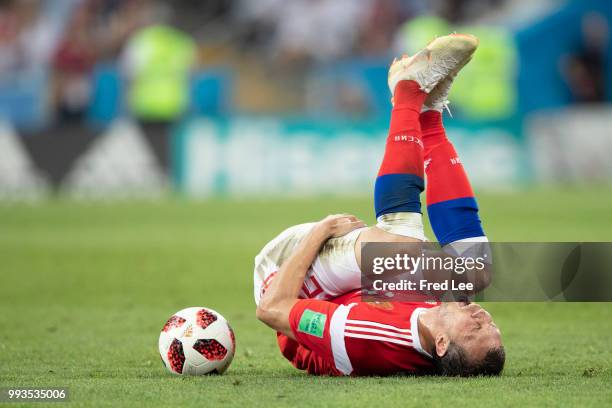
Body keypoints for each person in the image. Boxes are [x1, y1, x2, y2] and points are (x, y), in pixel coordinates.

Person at [255, 34, 504, 376]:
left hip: (290, 280)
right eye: (493, 328)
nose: (483, 318)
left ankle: (407, 93)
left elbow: (272, 309)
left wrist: (321, 231)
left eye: (475, 329)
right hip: (367, 290)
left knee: (399, 246)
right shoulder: (439, 330)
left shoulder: (363, 334)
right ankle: (429, 114)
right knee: (474, 270)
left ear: (442, 343)